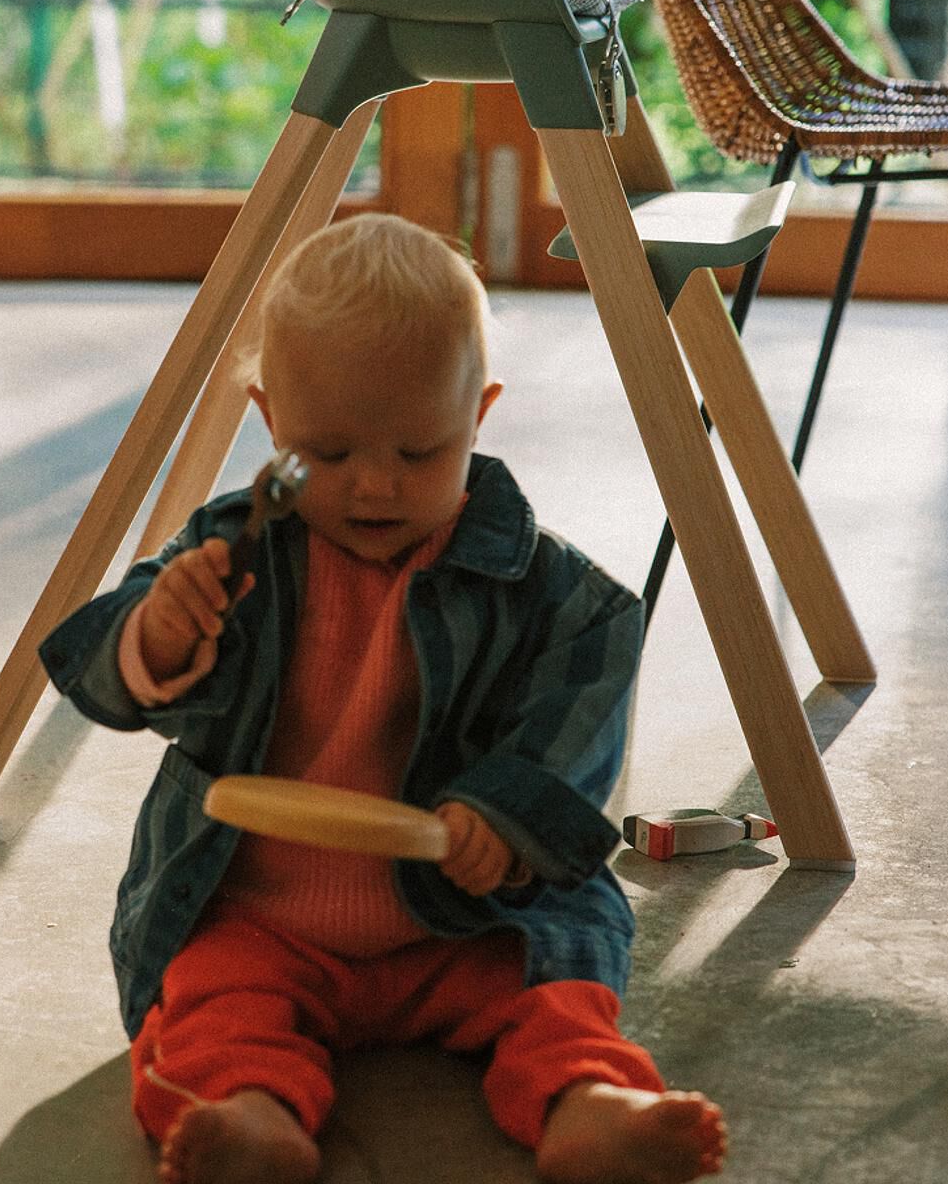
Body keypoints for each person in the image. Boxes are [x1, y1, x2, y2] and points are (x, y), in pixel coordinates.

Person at [40, 213, 726, 1184]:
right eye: (328, 452)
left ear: (478, 414)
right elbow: (95, 666)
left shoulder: (551, 591)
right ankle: (250, 1111)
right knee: (208, 995)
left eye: (417, 453)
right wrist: (158, 634)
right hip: (264, 916)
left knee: (559, 975)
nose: (373, 484)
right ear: (272, 422)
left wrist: (505, 813)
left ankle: (585, 1099)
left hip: (464, 921)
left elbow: (579, 710)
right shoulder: (233, 552)